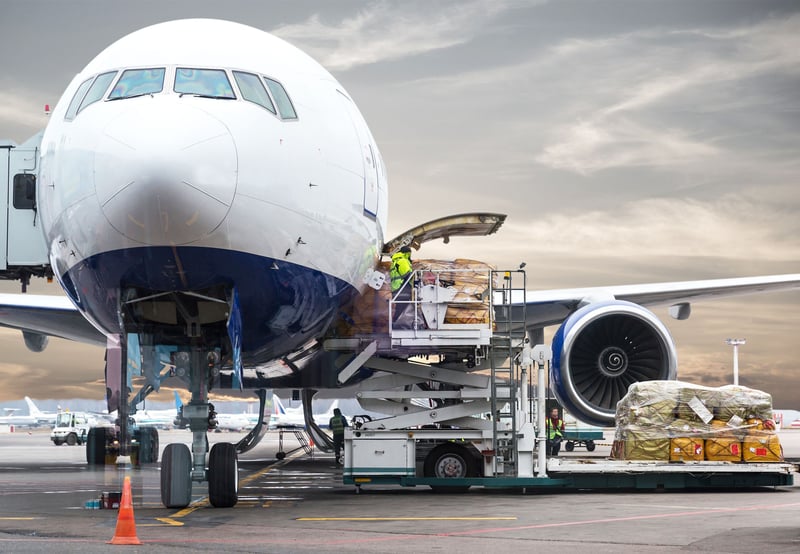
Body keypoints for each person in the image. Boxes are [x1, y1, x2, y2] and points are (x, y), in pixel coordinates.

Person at [390, 246, 414, 324]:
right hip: (402, 288)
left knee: (400, 306)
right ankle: (395, 322)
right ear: (407, 253)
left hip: (396, 287)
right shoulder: (403, 261)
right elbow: (407, 274)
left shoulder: (396, 260)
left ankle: (395, 321)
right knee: (402, 306)